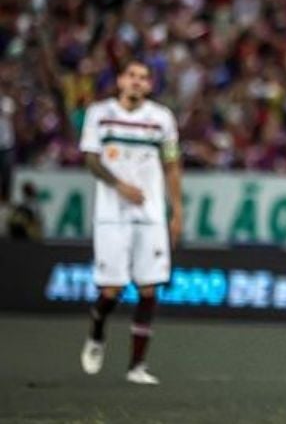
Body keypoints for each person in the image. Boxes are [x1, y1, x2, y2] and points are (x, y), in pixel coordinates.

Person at [78, 60, 183, 385]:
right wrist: (119, 185)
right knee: (113, 289)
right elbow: (91, 159)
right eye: (132, 76)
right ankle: (97, 332)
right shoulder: (100, 113)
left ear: (149, 85)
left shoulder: (162, 118)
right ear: (121, 81)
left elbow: (171, 164)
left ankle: (137, 365)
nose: (137, 82)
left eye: (143, 78)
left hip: (150, 215)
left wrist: (177, 210)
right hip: (112, 215)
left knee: (149, 289)